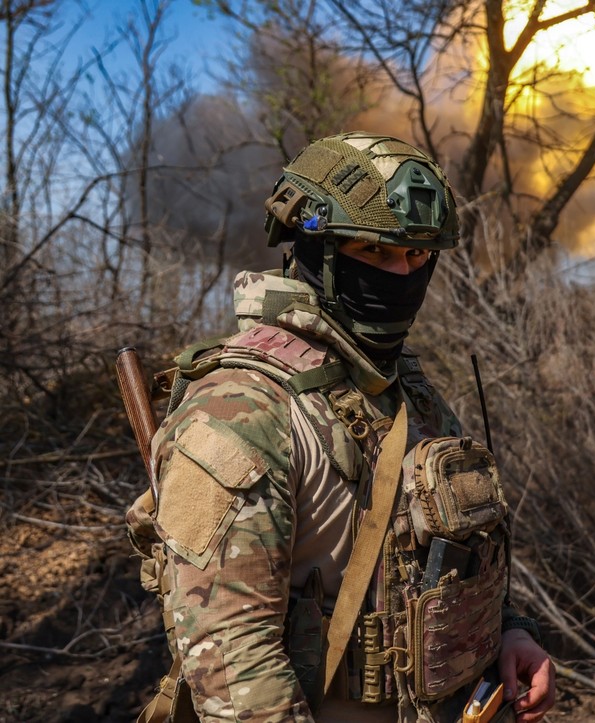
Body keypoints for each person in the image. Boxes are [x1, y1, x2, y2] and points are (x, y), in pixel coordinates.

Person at [125, 132, 555, 722]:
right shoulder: (239, 407)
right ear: (313, 246)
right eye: (376, 253)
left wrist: (509, 636)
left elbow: (451, 561)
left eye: (418, 254)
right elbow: (234, 666)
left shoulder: (406, 391)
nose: (403, 274)